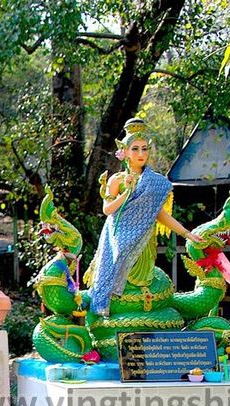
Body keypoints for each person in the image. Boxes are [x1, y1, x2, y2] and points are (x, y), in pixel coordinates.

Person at [87, 118, 205, 317]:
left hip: (143, 238)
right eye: (135, 149)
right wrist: (128, 192)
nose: (141, 154)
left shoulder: (155, 182)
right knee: (117, 262)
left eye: (144, 149)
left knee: (143, 280)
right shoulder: (117, 180)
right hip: (118, 237)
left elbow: (159, 215)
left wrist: (187, 234)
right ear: (124, 151)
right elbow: (108, 210)